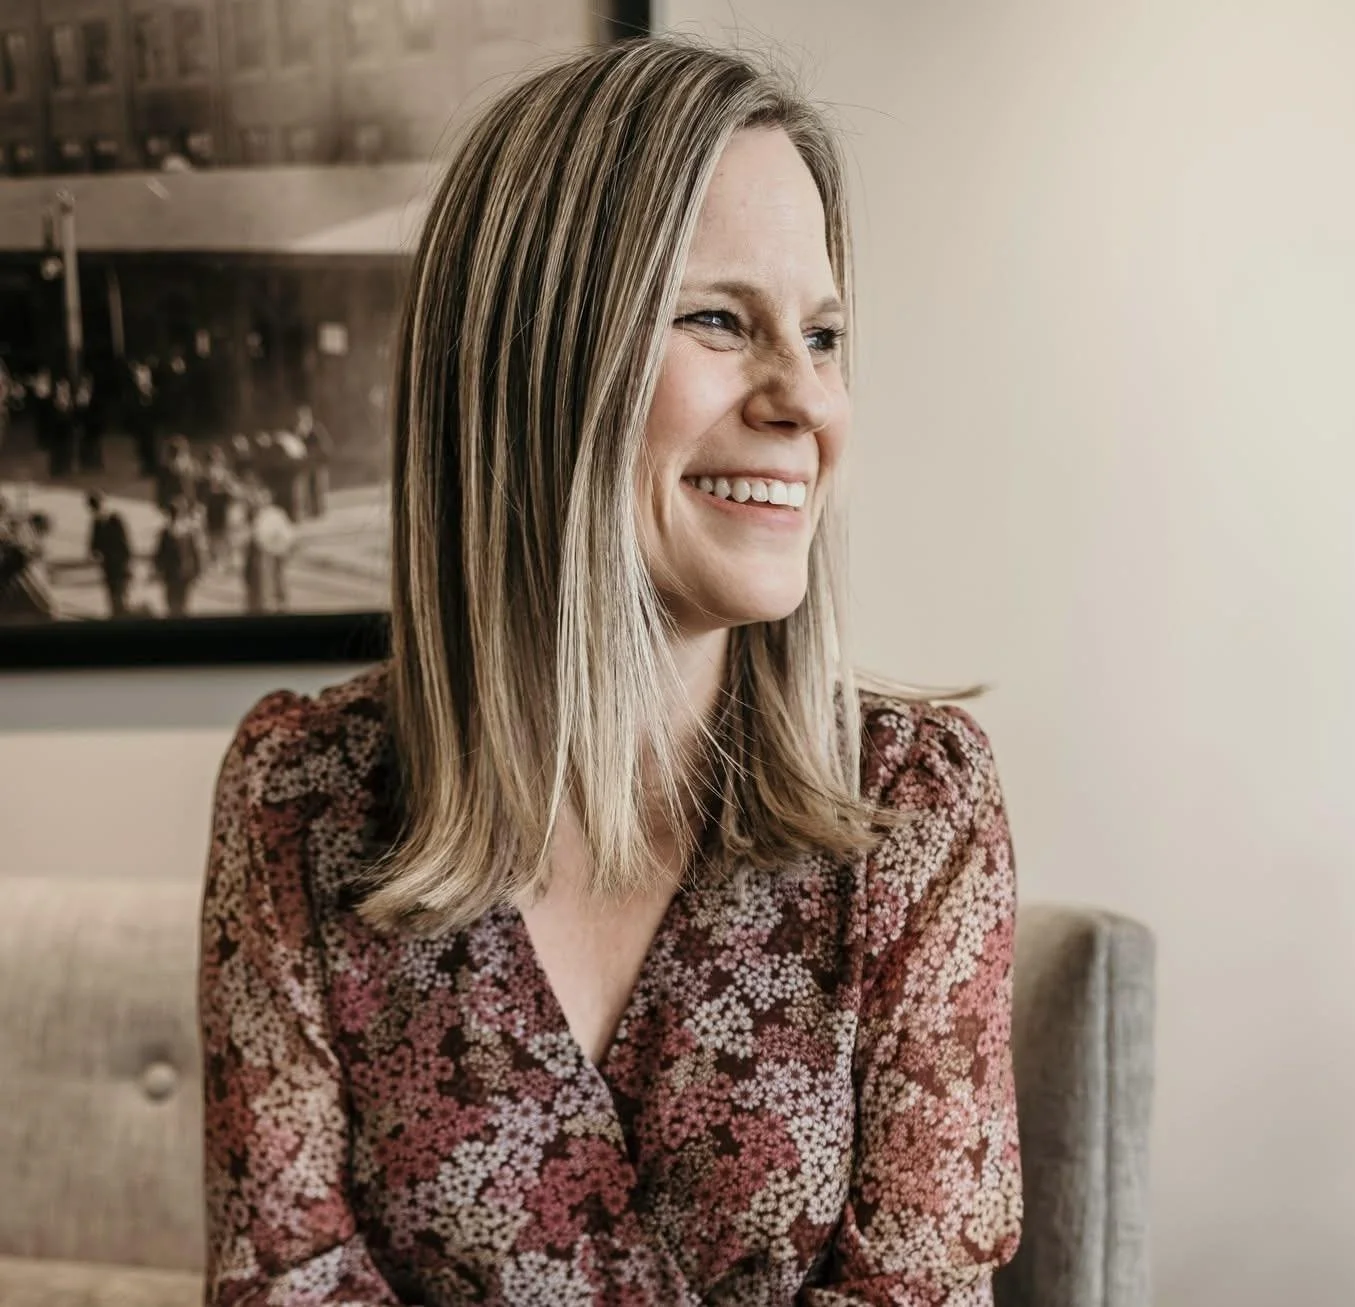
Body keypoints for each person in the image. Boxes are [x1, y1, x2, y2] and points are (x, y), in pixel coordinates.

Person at [199, 37, 1021, 1307]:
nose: (803, 398)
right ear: (532, 364)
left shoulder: (915, 802)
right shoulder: (300, 795)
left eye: (821, 333)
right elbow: (285, 1282)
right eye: (716, 320)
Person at [241, 486, 293, 613]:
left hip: (274, 552)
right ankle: (259, 605)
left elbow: (287, 532)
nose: (260, 500)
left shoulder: (276, 513)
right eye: (258, 497)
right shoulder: (253, 514)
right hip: (258, 553)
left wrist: (279, 545)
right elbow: (247, 534)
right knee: (258, 582)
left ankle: (278, 604)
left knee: (276, 579)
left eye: (263, 497)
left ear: (269, 499)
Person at [151, 495, 201, 617]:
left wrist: (197, 571)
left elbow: (194, 553)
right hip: (175, 574)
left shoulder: (185, 532)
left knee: (178, 603)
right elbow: (159, 554)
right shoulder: (170, 533)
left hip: (181, 574)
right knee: (175, 603)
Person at [86, 491, 133, 617]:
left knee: (121, 593)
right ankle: (116, 614)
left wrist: (127, 564)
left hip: (120, 565)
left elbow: (125, 544)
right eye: (94, 510)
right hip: (108, 566)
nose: (97, 512)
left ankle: (123, 614)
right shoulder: (97, 522)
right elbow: (93, 544)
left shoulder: (115, 520)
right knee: (112, 593)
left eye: (98, 507)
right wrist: (95, 553)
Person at [294, 404, 334, 517]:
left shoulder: (317, 429)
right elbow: (297, 447)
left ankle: (319, 509)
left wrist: (315, 454)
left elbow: (326, 445)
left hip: (318, 463)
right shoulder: (300, 431)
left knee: (318, 486)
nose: (302, 419)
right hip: (307, 463)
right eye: (300, 417)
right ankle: (310, 510)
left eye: (304, 416)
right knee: (307, 486)